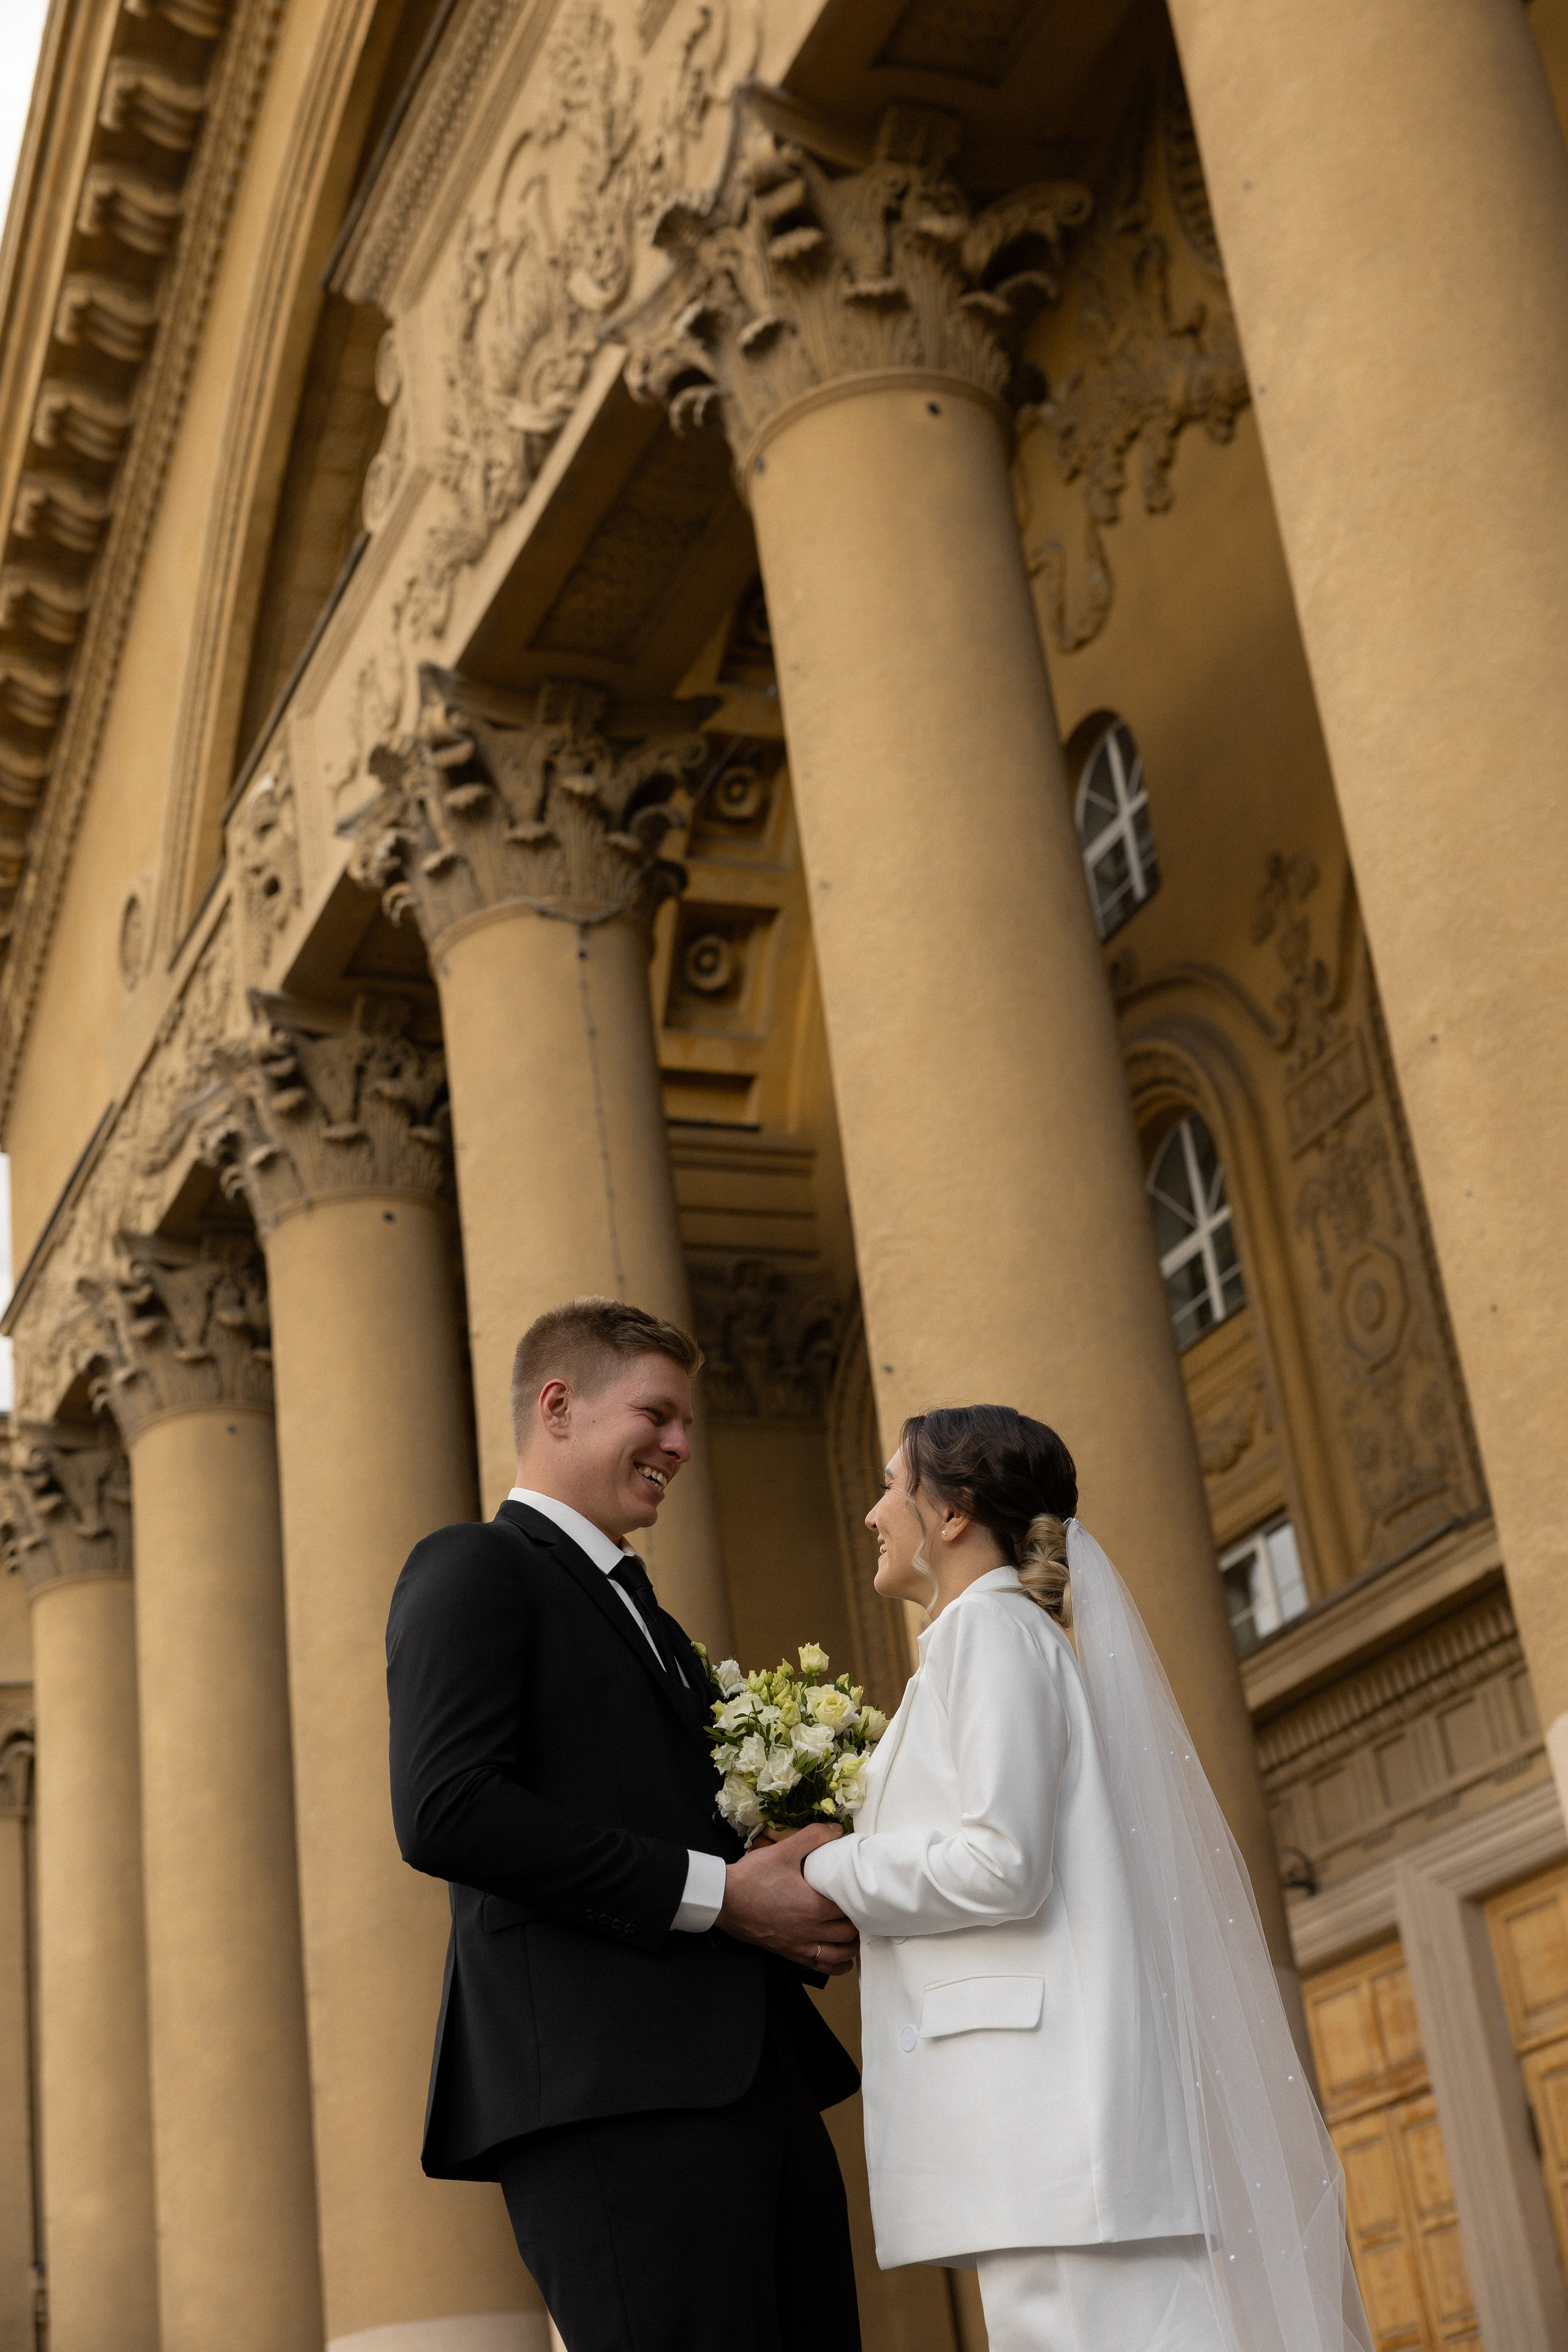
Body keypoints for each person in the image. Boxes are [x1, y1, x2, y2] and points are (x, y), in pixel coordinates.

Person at [803, 1404, 1373, 2352]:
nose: (874, 1512)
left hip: (1047, 2129)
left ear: (953, 1514)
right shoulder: (984, 1642)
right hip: (1038, 2137)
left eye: (893, 1485)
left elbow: (1002, 1864)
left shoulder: (991, 1637)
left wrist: (830, 1862)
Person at [386, 1295, 863, 2352]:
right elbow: (443, 1808)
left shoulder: (653, 1619)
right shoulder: (471, 1567)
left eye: (685, 1424)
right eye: (658, 1415)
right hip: (612, 2095)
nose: (682, 1446)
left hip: (752, 2079)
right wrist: (723, 1896)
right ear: (559, 1406)